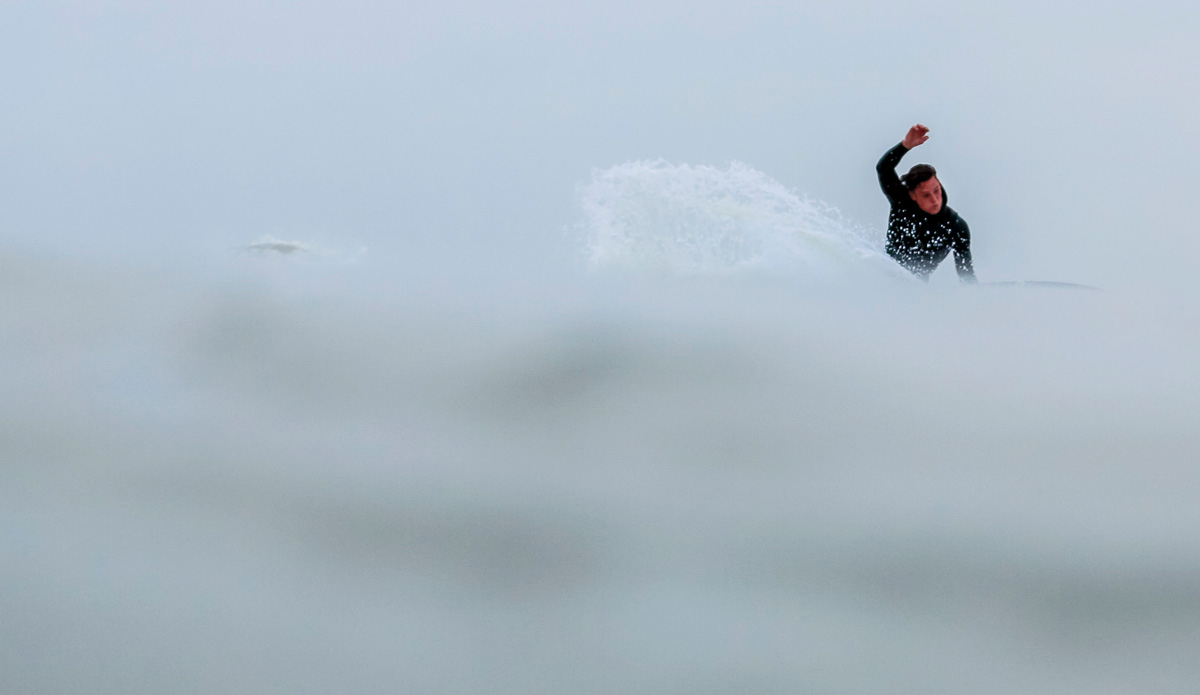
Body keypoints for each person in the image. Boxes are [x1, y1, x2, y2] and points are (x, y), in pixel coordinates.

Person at [877, 124, 976, 282]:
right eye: (926, 195)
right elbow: (883, 168)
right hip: (885, 280)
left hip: (918, 287)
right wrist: (905, 146)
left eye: (936, 191)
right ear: (913, 195)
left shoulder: (956, 227)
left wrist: (976, 293)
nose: (935, 200)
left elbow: (966, 274)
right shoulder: (902, 203)